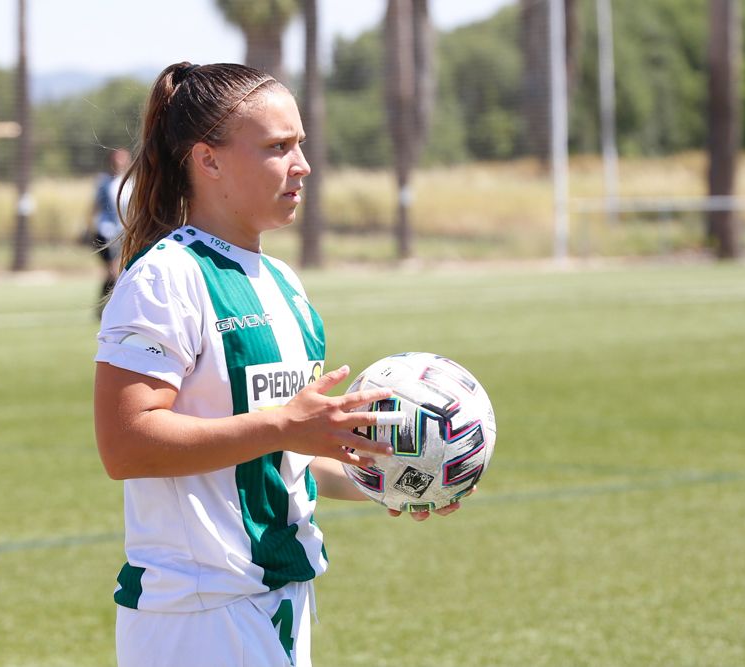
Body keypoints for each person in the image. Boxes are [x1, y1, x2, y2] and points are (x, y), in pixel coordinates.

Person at [93, 62, 466, 667]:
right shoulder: (166, 278)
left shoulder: (284, 285)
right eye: (277, 147)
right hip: (197, 619)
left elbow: (278, 461)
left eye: (300, 144)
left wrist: (392, 478)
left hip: (279, 602)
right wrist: (285, 426)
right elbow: (126, 445)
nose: (303, 165)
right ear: (207, 161)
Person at [90, 147, 131, 312]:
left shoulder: (132, 182)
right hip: (106, 232)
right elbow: (95, 207)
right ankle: (106, 307)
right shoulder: (105, 182)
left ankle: (105, 307)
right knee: (114, 270)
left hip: (125, 233)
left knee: (117, 271)